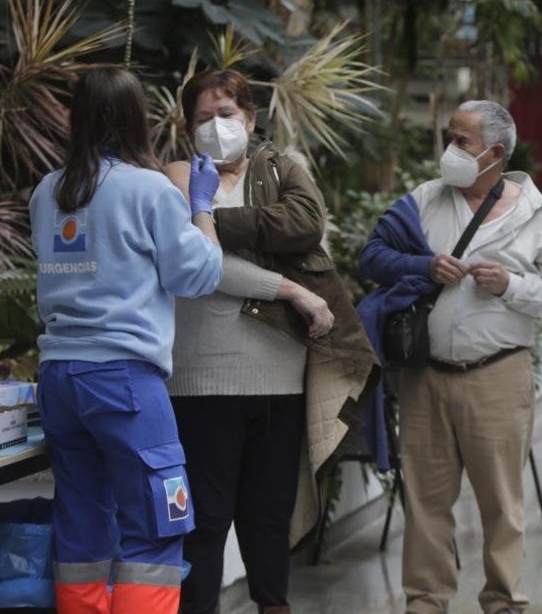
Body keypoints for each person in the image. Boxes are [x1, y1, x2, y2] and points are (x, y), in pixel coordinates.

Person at [163, 69, 377, 614]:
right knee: (205, 521)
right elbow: (202, 265)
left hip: (280, 377)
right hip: (201, 380)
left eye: (227, 114)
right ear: (188, 128)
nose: (216, 127)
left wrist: (213, 218)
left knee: (269, 515)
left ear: (251, 118)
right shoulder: (176, 176)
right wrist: (290, 288)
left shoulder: (281, 167)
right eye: (204, 117)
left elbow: (305, 224)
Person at [358, 100, 542, 614]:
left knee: (501, 503)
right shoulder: (424, 200)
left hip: (497, 376)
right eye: (450, 137)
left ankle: (504, 600)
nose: (449, 151)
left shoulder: (539, 217)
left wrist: (512, 285)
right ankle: (425, 600)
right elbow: (372, 255)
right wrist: (422, 264)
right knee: (425, 501)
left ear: (496, 153)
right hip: (426, 376)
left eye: (462, 142)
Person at [30, 68, 224, 613]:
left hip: (60, 378)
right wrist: (201, 208)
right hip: (124, 382)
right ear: (135, 118)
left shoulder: (48, 191)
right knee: (157, 528)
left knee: (82, 526)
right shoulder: (149, 189)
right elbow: (198, 276)